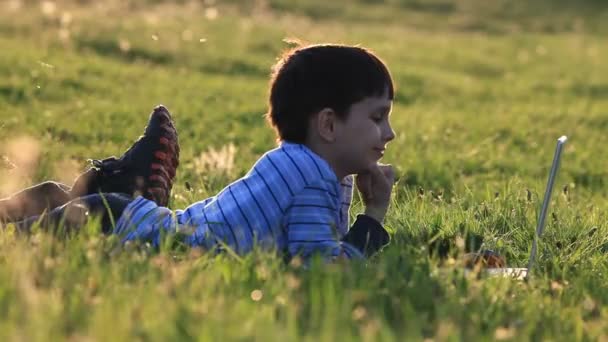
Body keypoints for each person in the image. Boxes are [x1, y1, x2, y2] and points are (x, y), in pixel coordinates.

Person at [2, 44, 396, 261]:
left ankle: (125, 179)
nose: (389, 133)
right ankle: (126, 179)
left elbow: (319, 243)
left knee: (57, 197)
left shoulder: (305, 165)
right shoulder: (311, 176)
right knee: (26, 235)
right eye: (377, 118)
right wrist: (374, 217)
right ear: (327, 125)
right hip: (128, 229)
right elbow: (323, 269)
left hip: (129, 216)